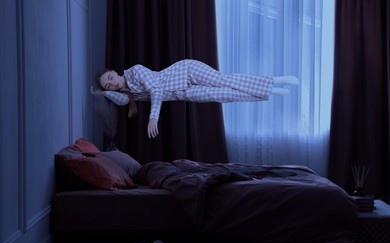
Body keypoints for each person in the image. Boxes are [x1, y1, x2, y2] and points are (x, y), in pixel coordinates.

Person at [91, 59, 299, 139]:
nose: (112, 83)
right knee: (225, 95)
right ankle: (269, 91)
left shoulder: (135, 72)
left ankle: (274, 80)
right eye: (108, 84)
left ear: (114, 72)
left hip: (186, 72)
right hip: (184, 92)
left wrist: (153, 117)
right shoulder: (131, 93)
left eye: (110, 79)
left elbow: (156, 89)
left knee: (224, 81)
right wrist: (103, 93)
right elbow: (123, 102)